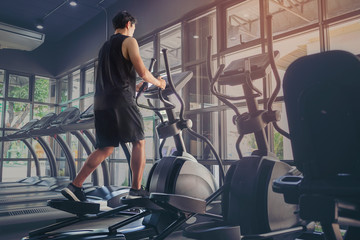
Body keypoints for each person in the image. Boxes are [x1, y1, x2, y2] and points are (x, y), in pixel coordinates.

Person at [61, 11, 166, 202]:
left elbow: (114, 78)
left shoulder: (105, 47)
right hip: (121, 101)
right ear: (128, 24)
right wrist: (159, 83)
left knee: (105, 148)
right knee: (139, 141)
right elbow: (142, 71)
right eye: (133, 27)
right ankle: (136, 189)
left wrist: (134, 86)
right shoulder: (129, 41)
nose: (133, 31)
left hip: (102, 103)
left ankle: (75, 186)